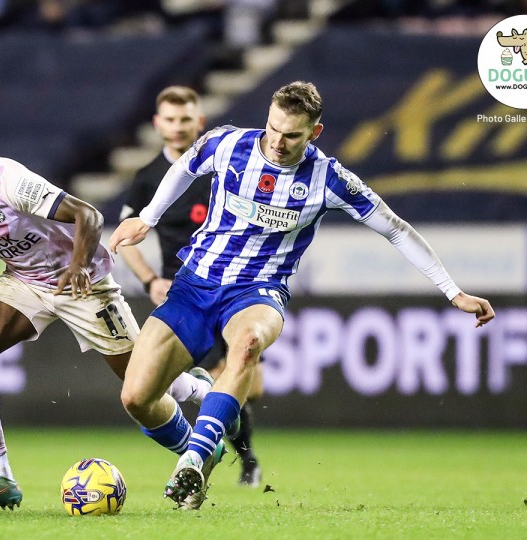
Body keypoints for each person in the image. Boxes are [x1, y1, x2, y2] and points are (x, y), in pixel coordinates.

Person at [109, 81, 496, 510]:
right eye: (273, 128)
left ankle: (195, 459)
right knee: (136, 398)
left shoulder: (329, 178)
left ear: (315, 132)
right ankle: (202, 444)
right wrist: (148, 218)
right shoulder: (227, 144)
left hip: (257, 291)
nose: (277, 142)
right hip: (194, 283)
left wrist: (452, 291)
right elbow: (185, 166)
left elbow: (396, 229)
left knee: (247, 344)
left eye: (291, 135)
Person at [0, 143, 212, 511]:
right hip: (26, 281)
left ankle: (197, 390)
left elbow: (89, 215)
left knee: (142, 382)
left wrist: (78, 266)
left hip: (82, 280)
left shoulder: (7, 182)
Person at [118, 85, 263, 486]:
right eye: (170, 119)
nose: (178, 127)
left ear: (200, 121)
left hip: (236, 285)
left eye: (186, 119)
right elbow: (127, 237)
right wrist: (150, 279)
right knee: (221, 373)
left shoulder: (221, 166)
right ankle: (243, 461)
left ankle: (241, 452)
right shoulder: (149, 177)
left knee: (250, 386)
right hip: (187, 293)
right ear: (157, 124)